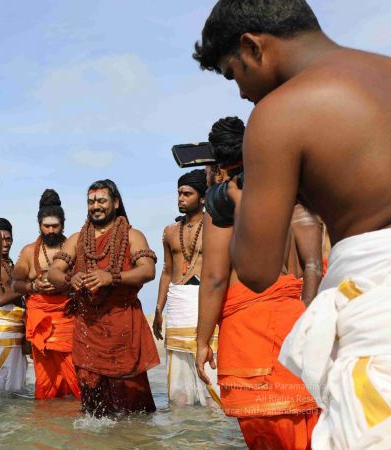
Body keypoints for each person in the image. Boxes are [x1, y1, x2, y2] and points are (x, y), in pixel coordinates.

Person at [195, 1, 391, 446]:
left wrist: (236, 203)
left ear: (253, 47)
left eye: (233, 74)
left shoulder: (280, 112)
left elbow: (257, 270)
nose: (241, 93)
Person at [195, 117, 321, 449]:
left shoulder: (222, 200)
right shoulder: (289, 192)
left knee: (268, 433)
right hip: (295, 322)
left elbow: (214, 278)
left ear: (217, 163)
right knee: (308, 428)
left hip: (249, 331)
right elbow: (313, 266)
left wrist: (202, 341)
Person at [48, 180, 159, 416]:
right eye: (91, 202)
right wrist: (70, 278)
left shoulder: (132, 235)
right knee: (92, 405)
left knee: (132, 407)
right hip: (88, 327)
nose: (95, 206)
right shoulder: (77, 239)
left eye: (101, 200)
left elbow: (148, 270)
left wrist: (111, 277)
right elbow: (54, 272)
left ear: (116, 203)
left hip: (123, 326)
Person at [153, 169, 220, 407]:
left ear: (202, 198)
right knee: (179, 394)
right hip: (178, 303)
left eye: (187, 194)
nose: (180, 198)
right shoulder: (169, 231)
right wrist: (159, 309)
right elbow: (166, 271)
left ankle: (215, 426)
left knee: (212, 381)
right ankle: (182, 425)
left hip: (205, 301)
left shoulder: (216, 225)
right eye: (179, 193)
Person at [13, 190, 80, 400]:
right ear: (39, 225)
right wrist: (34, 286)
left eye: (55, 226)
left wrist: (65, 285)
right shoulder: (28, 251)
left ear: (63, 225)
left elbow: (84, 279)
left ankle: (74, 412)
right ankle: (46, 415)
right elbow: (16, 284)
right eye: (46, 226)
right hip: (39, 316)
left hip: (67, 317)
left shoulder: (75, 248)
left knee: (74, 372)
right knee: (44, 377)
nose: (51, 230)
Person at [0, 217, 27, 392]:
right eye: (1, 239)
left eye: (8, 239)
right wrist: (29, 287)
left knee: (17, 386)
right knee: (7, 389)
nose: (5, 243)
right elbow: (1, 299)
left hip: (16, 331)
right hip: (4, 333)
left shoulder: (10, 264)